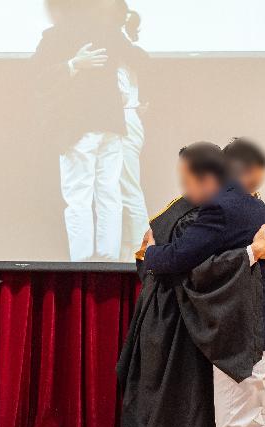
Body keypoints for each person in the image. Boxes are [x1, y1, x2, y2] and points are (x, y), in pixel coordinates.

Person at [118, 142, 265, 427]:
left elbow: (168, 260)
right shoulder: (190, 210)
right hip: (163, 333)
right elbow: (164, 265)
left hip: (189, 334)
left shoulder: (217, 208)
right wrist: (153, 256)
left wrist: (152, 255)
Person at [187, 137, 265, 427]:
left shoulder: (225, 206)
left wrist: (152, 256)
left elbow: (183, 262)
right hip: (264, 342)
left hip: (242, 346)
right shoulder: (258, 207)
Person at [33, 0, 146, 262]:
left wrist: (72, 65)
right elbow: (140, 59)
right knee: (109, 192)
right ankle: (107, 260)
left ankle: (82, 261)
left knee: (79, 196)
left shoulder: (55, 35)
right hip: (110, 124)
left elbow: (37, 77)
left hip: (77, 127)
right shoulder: (108, 29)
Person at [116, 1, 150, 260]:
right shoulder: (126, 51)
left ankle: (140, 246)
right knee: (118, 187)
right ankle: (129, 243)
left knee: (129, 186)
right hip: (125, 120)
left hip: (124, 120)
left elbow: (122, 93)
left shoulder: (124, 52)